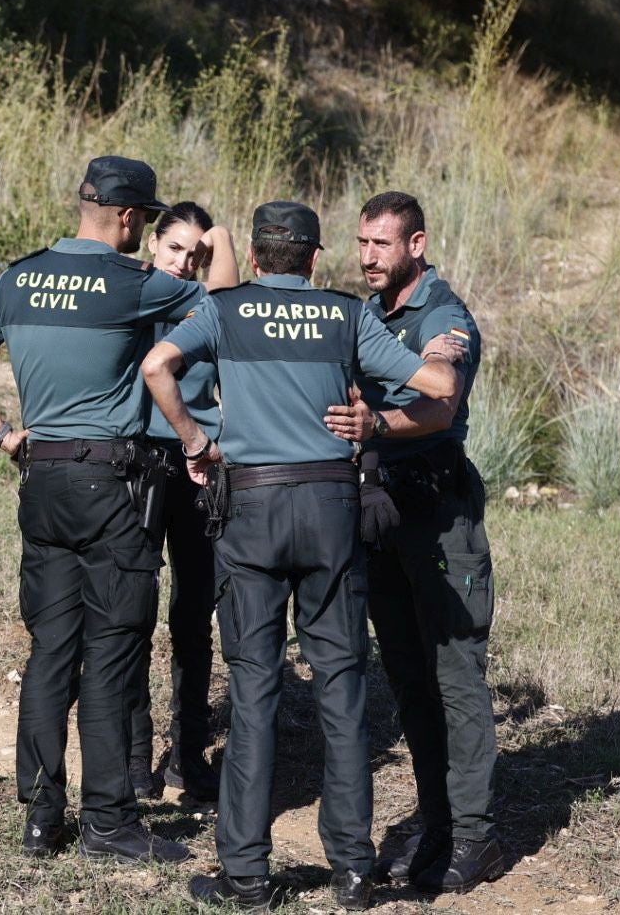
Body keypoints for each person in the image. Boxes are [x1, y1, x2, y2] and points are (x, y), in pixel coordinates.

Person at [142, 200, 460, 911]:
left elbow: (157, 365)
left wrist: (196, 442)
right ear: (315, 259)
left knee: (254, 688)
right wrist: (377, 419)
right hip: (330, 512)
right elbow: (439, 387)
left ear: (256, 258)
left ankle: (246, 874)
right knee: (342, 688)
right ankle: (353, 871)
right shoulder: (346, 315)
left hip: (252, 511)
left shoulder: (223, 310)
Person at [0, 155, 205, 864]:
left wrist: (3, 435)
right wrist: (218, 241)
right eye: (146, 219)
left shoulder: (18, 278)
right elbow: (225, 302)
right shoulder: (135, 283)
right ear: (128, 217)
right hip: (112, 485)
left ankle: (40, 817)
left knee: (51, 651)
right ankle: (109, 824)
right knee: (112, 652)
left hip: (43, 478)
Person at [321, 190, 503, 894]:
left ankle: (477, 837)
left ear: (416, 245)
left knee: (455, 675)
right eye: (362, 243)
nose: (368, 257)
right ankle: (437, 823)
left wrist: (378, 427)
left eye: (382, 244)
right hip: (382, 514)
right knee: (406, 675)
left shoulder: (442, 316)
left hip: (438, 512)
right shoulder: (370, 314)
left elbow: (441, 398)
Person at [130, 201, 239, 802]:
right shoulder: (135, 291)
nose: (183, 261)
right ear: (152, 243)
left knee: (194, 616)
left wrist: (219, 239)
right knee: (132, 614)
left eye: (196, 254)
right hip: (140, 461)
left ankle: (188, 756)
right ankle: (134, 758)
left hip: (200, 464)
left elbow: (226, 298)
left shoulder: (208, 303)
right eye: (174, 247)